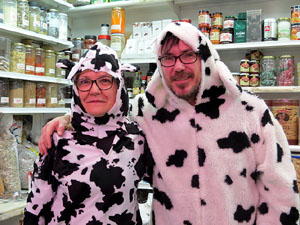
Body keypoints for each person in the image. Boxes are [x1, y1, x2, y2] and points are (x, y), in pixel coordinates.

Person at [39, 22, 299, 225]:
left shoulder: (250, 111)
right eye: (168, 58)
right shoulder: (146, 111)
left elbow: (281, 190)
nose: (178, 67)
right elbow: (105, 111)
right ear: (160, 65)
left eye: (187, 55)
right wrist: (66, 119)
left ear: (205, 57)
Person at [24, 43, 152, 224]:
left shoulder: (137, 137)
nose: (94, 90)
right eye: (84, 81)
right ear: (76, 88)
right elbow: (35, 210)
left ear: (119, 85)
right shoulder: (59, 139)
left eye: (105, 80)